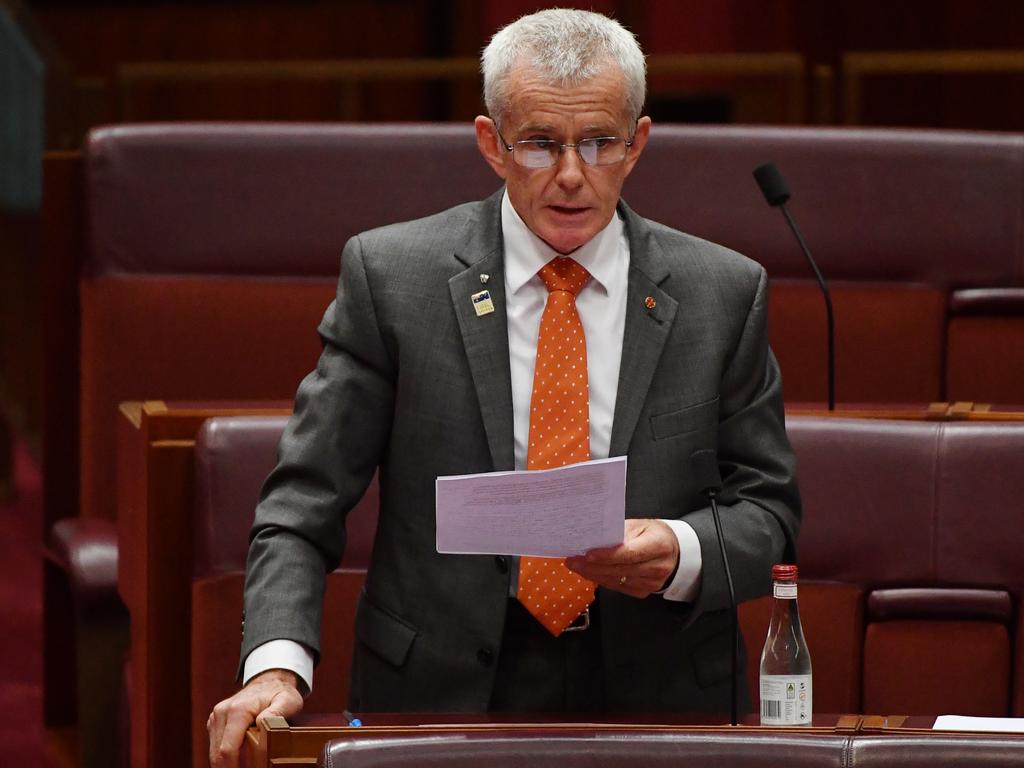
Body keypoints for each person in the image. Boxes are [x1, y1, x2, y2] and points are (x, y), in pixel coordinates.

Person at [208, 8, 800, 767]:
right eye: (540, 143)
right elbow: (302, 503)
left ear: (638, 143)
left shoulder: (723, 292)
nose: (571, 175)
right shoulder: (395, 280)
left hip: (655, 687)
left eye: (599, 142)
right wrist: (277, 662)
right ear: (491, 143)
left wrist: (681, 550)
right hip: (438, 689)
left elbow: (771, 516)